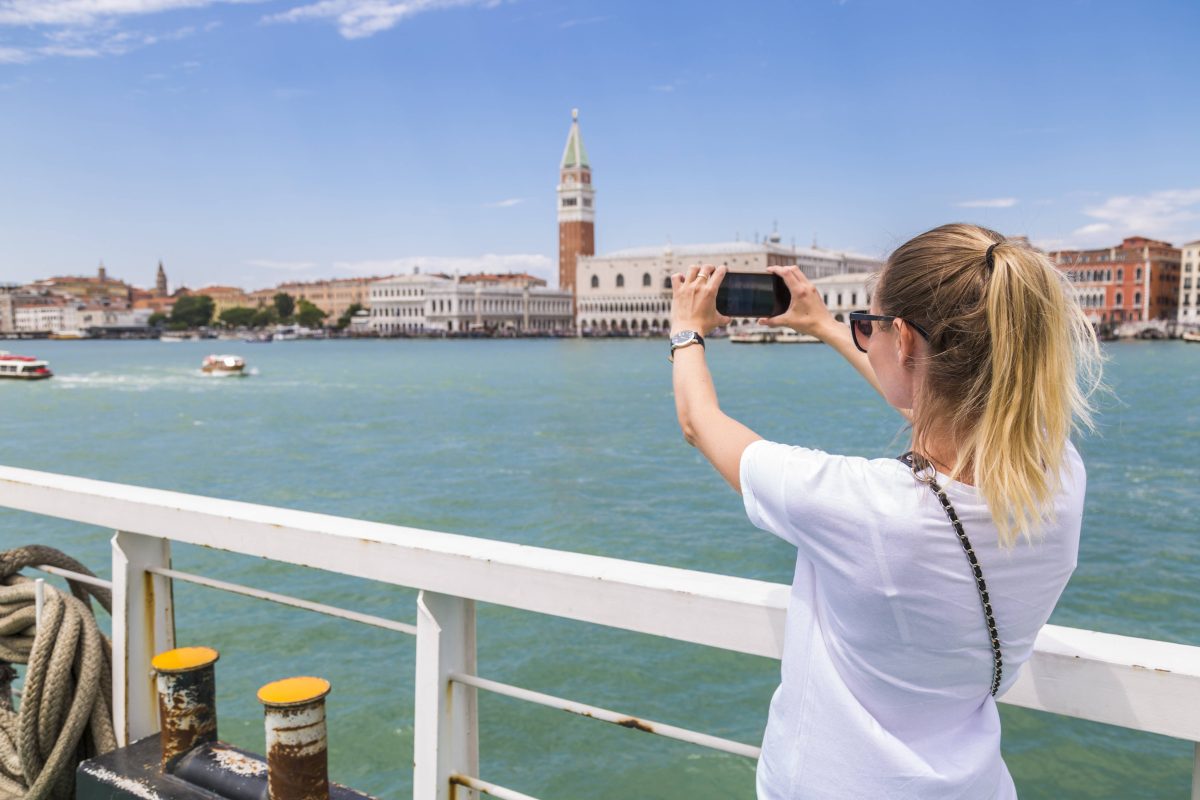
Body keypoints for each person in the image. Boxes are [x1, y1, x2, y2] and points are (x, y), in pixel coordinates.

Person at [668, 223, 1102, 799]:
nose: (864, 338)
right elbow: (948, 408)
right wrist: (824, 324)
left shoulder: (859, 506)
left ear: (902, 341)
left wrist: (685, 332)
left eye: (868, 327)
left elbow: (701, 422)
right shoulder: (1059, 476)